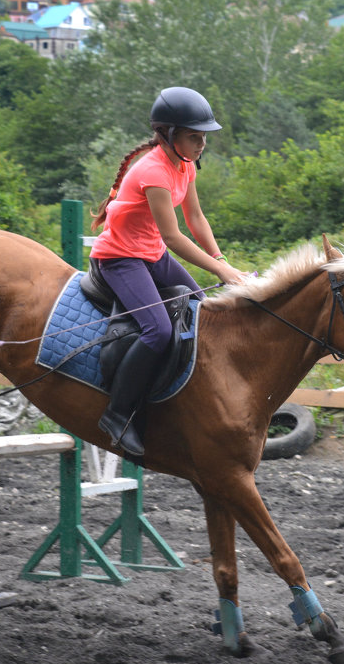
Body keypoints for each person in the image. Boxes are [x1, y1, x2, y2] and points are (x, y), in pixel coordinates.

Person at [88, 86, 248, 457]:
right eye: (194, 136)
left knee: (200, 310)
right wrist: (223, 272)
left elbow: (196, 218)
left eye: (204, 136)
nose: (201, 143)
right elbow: (174, 236)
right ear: (169, 134)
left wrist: (220, 259)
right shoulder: (153, 171)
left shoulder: (185, 165)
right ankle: (117, 414)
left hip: (151, 254)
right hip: (120, 258)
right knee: (158, 331)